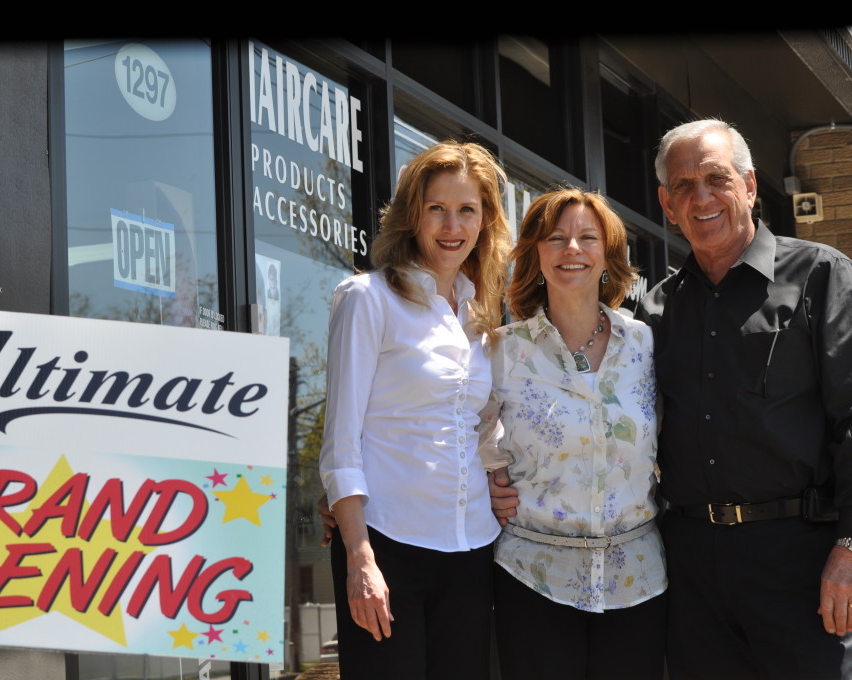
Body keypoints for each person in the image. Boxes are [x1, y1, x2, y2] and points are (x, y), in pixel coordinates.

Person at [636, 118, 852, 678]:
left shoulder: (820, 276)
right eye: (683, 186)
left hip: (800, 562)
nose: (700, 197)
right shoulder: (654, 311)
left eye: (716, 178)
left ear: (750, 186)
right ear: (666, 203)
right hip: (690, 574)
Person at [318, 140, 512, 679]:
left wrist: (501, 480)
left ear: (484, 221)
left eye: (467, 210)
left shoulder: (486, 319)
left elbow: (482, 429)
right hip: (386, 546)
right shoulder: (366, 299)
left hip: (472, 547)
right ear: (412, 216)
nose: (452, 225)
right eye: (437, 209)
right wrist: (359, 557)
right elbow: (341, 443)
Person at [479, 186, 666, 680]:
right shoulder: (501, 349)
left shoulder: (644, 343)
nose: (572, 250)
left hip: (637, 580)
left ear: (608, 254)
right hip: (532, 579)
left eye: (587, 237)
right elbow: (464, 434)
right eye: (556, 238)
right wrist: (490, 478)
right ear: (534, 255)